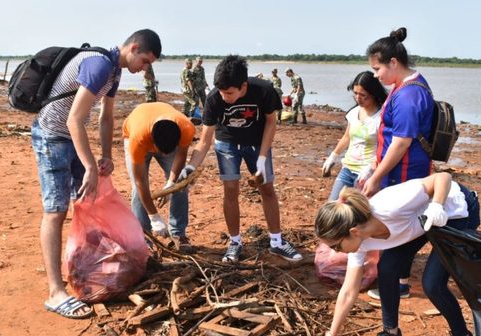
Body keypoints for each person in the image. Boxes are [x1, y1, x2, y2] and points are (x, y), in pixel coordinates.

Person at [31, 29, 161, 319]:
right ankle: (55, 292)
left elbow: (105, 115)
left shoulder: (114, 71)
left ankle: (90, 264)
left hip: (70, 137)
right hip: (52, 136)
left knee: (89, 199)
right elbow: (74, 119)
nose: (145, 69)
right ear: (134, 48)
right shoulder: (99, 64)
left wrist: (104, 156)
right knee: (55, 210)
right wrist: (89, 165)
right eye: (146, 61)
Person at [310, 172, 479, 336]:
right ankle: (391, 334)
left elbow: (443, 177)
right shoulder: (359, 242)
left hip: (457, 211)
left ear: (354, 232)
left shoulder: (390, 206)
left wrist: (436, 206)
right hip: (420, 223)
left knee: (433, 284)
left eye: (336, 246)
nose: (336, 251)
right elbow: (349, 291)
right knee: (388, 269)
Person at [179, 55, 302, 263]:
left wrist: (262, 158)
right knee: (230, 189)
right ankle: (235, 242)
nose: (224, 96)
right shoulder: (213, 98)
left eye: (229, 93)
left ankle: (277, 242)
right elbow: (205, 140)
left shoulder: (264, 90)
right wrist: (190, 167)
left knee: (267, 189)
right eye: (221, 91)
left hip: (257, 143)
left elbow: (271, 123)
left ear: (243, 86)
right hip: (226, 144)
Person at [358, 27, 435, 301]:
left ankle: (399, 283)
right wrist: (373, 166)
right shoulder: (402, 87)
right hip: (400, 169)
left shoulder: (408, 95)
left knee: (399, 222)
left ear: (393, 63)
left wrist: (377, 177)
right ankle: (396, 277)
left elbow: (401, 142)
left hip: (405, 172)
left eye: (377, 69)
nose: (376, 75)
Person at [123, 102, 196, 253]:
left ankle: (178, 234)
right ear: (153, 143)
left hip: (164, 133)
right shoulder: (139, 139)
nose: (164, 156)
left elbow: (181, 155)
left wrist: (171, 183)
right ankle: (144, 237)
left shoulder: (186, 128)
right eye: (162, 152)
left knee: (181, 184)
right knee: (138, 191)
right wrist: (154, 216)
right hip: (134, 133)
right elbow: (140, 181)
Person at [321, 71, 388, 200]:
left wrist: (371, 169)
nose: (358, 98)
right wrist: (333, 157)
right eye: (355, 94)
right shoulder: (354, 112)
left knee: (358, 212)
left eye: (363, 95)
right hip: (348, 168)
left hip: (367, 173)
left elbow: (384, 148)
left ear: (373, 94)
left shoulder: (381, 117)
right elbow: (347, 137)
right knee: (334, 206)